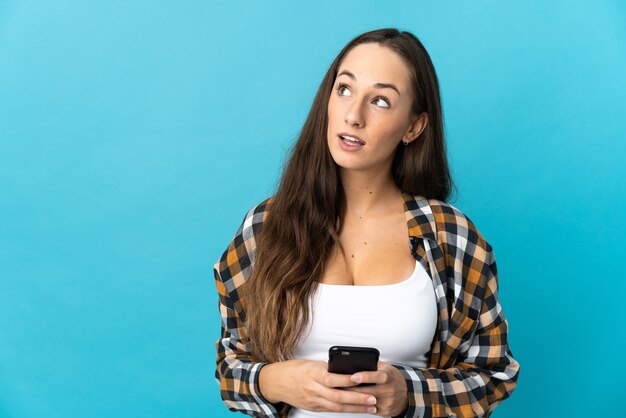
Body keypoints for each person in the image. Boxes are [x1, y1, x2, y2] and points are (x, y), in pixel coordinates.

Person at [213, 28, 520, 418]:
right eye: (344, 90)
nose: (353, 115)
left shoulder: (451, 237)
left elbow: (495, 374)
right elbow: (230, 368)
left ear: (414, 127)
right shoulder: (265, 228)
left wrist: (409, 392)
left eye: (380, 100)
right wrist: (280, 381)